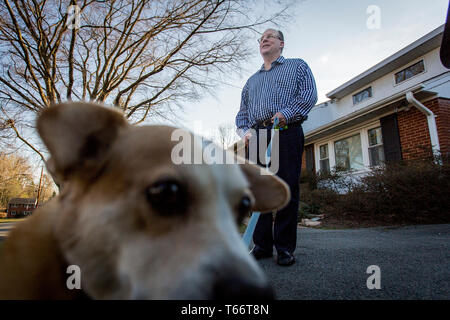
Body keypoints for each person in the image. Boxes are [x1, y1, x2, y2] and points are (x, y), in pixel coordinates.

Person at [235, 29, 317, 266]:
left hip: (286, 129)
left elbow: (308, 95)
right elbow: (241, 115)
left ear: (281, 43)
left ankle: (284, 248)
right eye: (261, 38)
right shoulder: (251, 81)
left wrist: (287, 114)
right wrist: (246, 133)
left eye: (270, 36)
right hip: (258, 135)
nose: (264, 39)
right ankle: (261, 245)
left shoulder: (297, 66)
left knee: (285, 187)